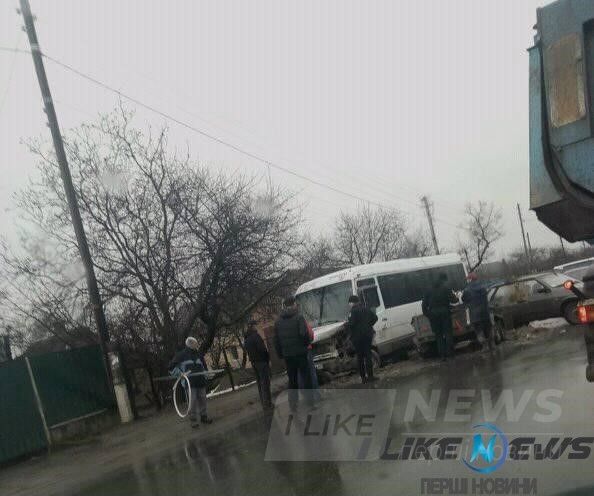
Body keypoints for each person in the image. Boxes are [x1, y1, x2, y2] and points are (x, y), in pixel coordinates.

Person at [273, 296, 315, 412]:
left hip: (288, 355)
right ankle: (310, 403)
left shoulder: (278, 322)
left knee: (292, 379)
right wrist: (306, 345)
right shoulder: (299, 317)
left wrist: (281, 354)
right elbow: (304, 334)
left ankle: (293, 405)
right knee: (306, 377)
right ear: (293, 304)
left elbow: (276, 340)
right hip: (300, 353)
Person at [168, 337, 213, 427]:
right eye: (195, 344)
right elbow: (171, 368)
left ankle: (204, 417)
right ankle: (193, 421)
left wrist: (206, 374)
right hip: (190, 383)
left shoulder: (198, 354)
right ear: (190, 344)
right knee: (192, 402)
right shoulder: (181, 355)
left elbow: (203, 367)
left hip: (200, 381)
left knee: (203, 400)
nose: (196, 345)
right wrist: (180, 374)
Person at [422, 273, 458, 361]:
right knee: (448, 333)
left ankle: (442, 356)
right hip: (445, 313)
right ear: (443, 280)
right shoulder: (446, 288)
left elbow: (424, 305)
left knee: (438, 336)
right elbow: (454, 300)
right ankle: (450, 354)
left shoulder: (428, 290)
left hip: (433, 315)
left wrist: (428, 315)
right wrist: (456, 298)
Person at [347, 294, 379, 383]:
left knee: (360, 357)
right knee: (368, 355)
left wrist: (350, 333)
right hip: (368, 335)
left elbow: (351, 324)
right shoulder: (366, 309)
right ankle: (371, 376)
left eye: (349, 303)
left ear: (352, 302)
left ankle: (363, 378)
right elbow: (375, 318)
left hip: (357, 338)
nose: (349, 305)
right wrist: (368, 325)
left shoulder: (353, 311)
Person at [244, 319, 273, 410]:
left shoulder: (247, 339)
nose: (256, 326)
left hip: (254, 363)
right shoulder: (256, 336)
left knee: (260, 383)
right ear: (253, 326)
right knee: (265, 383)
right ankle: (267, 403)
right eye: (255, 325)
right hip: (261, 362)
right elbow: (262, 349)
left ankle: (263, 402)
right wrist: (267, 358)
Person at [462, 272, 494, 351]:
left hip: (475, 314)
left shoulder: (467, 290)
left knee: (479, 331)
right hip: (485, 312)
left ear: (470, 279)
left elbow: (463, 299)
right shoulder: (483, 287)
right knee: (488, 329)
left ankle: (485, 346)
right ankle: (492, 345)